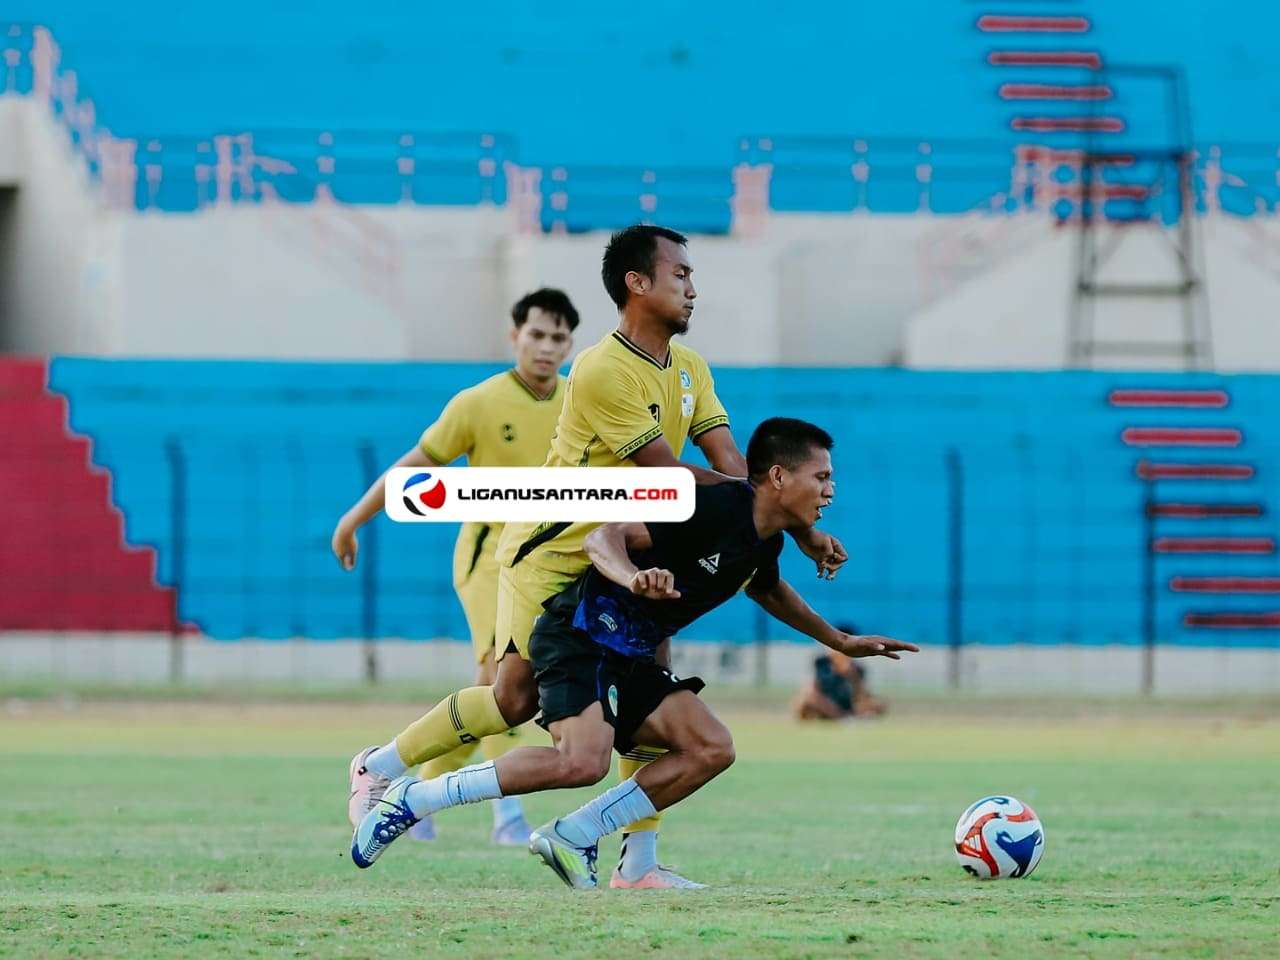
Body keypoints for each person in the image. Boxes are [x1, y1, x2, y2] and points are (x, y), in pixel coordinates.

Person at [347, 225, 849, 889]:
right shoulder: (602, 368)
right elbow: (668, 474)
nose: (693, 289)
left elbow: (731, 467)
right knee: (512, 701)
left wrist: (781, 523)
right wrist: (785, 516)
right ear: (637, 284)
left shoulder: (692, 370)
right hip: (556, 552)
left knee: (652, 686)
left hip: (630, 555)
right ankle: (380, 767)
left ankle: (637, 863)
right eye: (680, 276)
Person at [350, 416, 918, 888]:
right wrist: (631, 577)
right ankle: (414, 798)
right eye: (821, 477)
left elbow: (767, 588)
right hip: (581, 632)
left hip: (631, 652)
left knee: (711, 748)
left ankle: (574, 835)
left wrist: (840, 640)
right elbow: (604, 538)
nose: (830, 489)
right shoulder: (710, 505)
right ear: (777, 476)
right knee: (582, 761)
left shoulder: (761, 538)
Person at [332, 288, 578, 845]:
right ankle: (507, 817)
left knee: (495, 697)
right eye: (536, 335)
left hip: (548, 564)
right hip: (488, 560)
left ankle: (413, 793)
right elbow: (414, 467)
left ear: (570, 345)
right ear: (514, 336)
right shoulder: (479, 403)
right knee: (503, 680)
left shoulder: (576, 403)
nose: (546, 348)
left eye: (558, 338)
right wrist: (353, 519)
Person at [792, 624, 888, 720]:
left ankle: (848, 716)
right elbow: (811, 689)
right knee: (805, 699)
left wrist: (851, 673)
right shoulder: (821, 662)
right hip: (826, 705)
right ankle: (841, 717)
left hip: (849, 705)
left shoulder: (858, 668)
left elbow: (861, 695)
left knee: (877, 705)